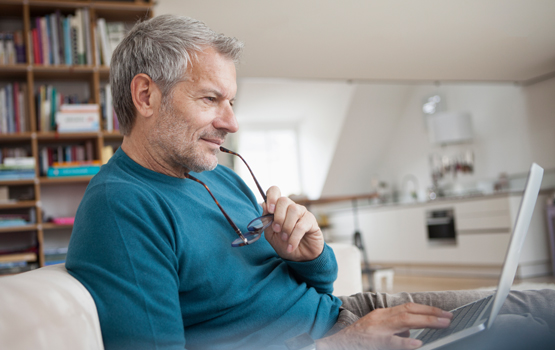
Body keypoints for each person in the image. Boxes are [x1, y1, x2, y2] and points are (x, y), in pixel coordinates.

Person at [66, 15, 555, 350]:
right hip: (335, 340)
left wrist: (311, 254)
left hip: (349, 313)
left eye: (232, 102)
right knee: (521, 331)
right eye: (211, 99)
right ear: (147, 95)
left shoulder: (219, 174)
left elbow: (317, 285)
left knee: (540, 304)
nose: (231, 122)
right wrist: (339, 345)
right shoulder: (120, 209)